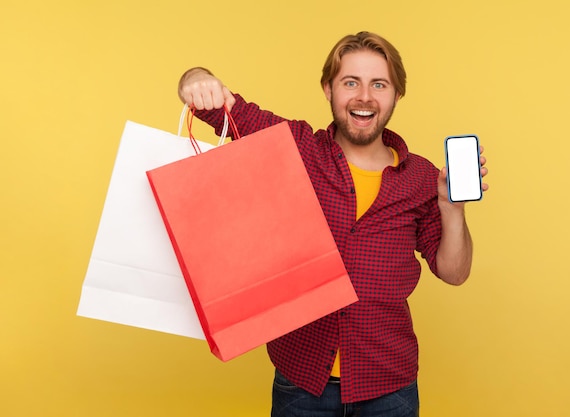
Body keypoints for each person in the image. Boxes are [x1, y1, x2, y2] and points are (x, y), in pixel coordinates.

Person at [177, 31, 489, 417]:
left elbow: (455, 272)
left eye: (379, 84)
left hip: (389, 386)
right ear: (328, 89)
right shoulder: (296, 147)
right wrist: (195, 78)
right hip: (302, 382)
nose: (364, 97)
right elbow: (221, 107)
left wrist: (451, 207)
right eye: (350, 83)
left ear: (396, 95)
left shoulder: (422, 179)